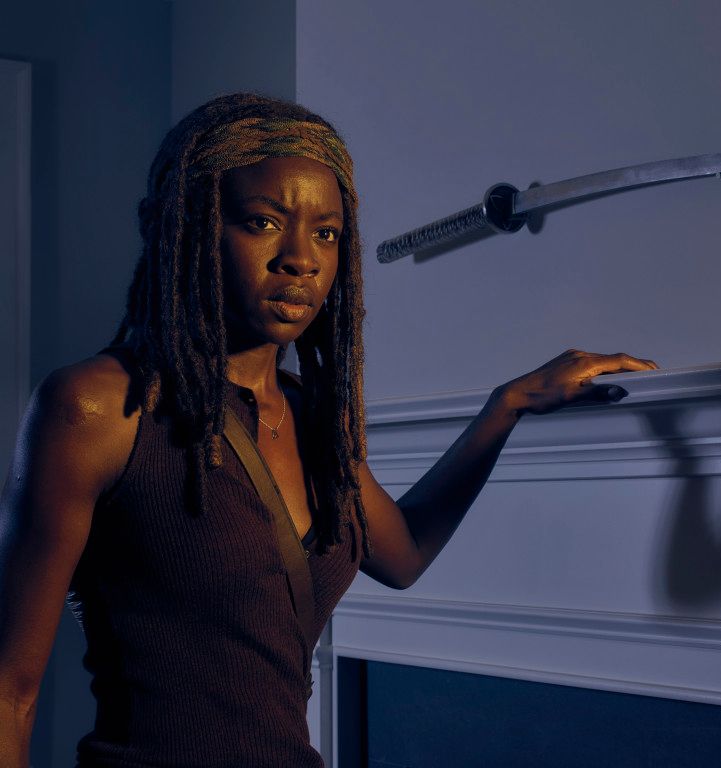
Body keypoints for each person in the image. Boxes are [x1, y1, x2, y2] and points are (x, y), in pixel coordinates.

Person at [0, 93, 658, 767]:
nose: (300, 260)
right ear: (188, 227)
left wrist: (506, 406)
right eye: (262, 222)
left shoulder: (310, 415)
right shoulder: (98, 407)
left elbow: (403, 556)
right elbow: (8, 693)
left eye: (326, 234)